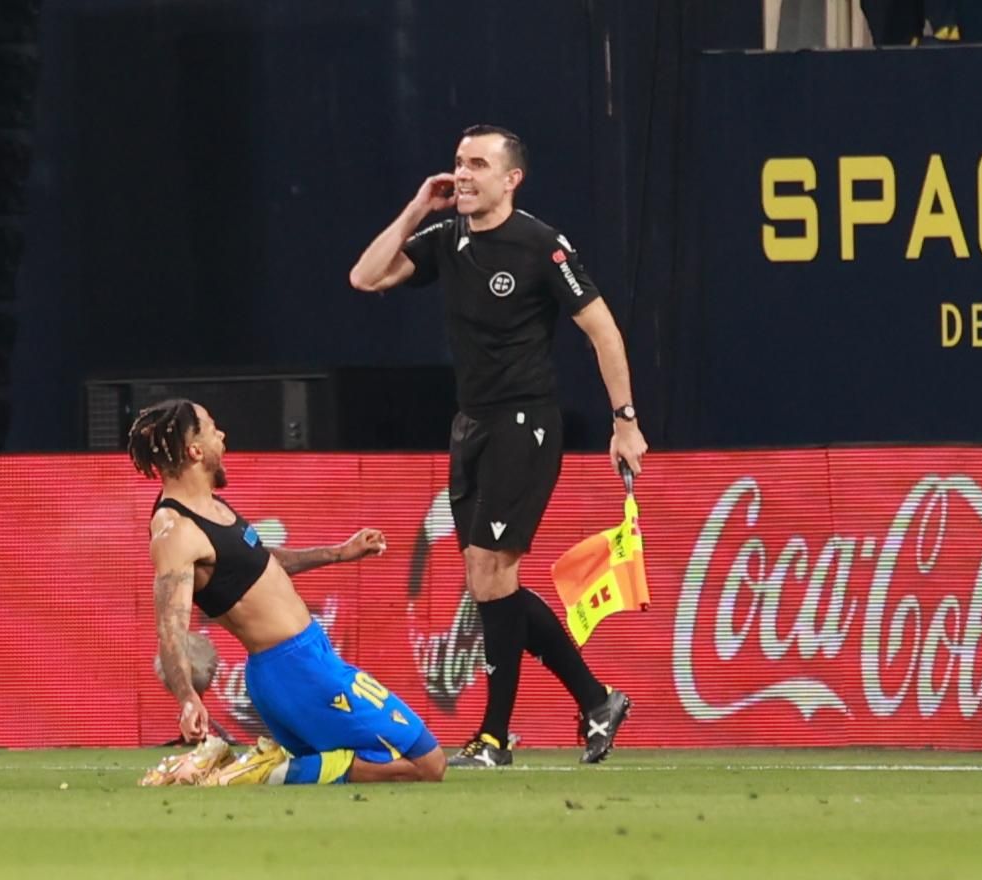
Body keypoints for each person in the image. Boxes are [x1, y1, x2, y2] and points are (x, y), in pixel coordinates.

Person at [349, 124, 649, 767]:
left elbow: (604, 332)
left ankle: (493, 736)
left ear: (512, 179)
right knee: (489, 582)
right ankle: (596, 699)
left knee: (493, 573)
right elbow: (365, 277)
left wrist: (624, 421)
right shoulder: (447, 239)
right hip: (471, 425)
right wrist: (415, 208)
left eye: (478, 164)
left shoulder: (541, 245)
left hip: (525, 423)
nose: (463, 174)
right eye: (459, 162)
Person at [128, 398, 445, 785]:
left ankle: (245, 767)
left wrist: (338, 553)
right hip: (294, 670)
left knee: (341, 767)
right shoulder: (175, 529)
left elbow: (260, 563)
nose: (222, 435)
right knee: (428, 764)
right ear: (195, 450)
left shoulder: (211, 507)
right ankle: (254, 770)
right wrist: (188, 699)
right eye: (212, 429)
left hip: (304, 659)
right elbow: (170, 628)